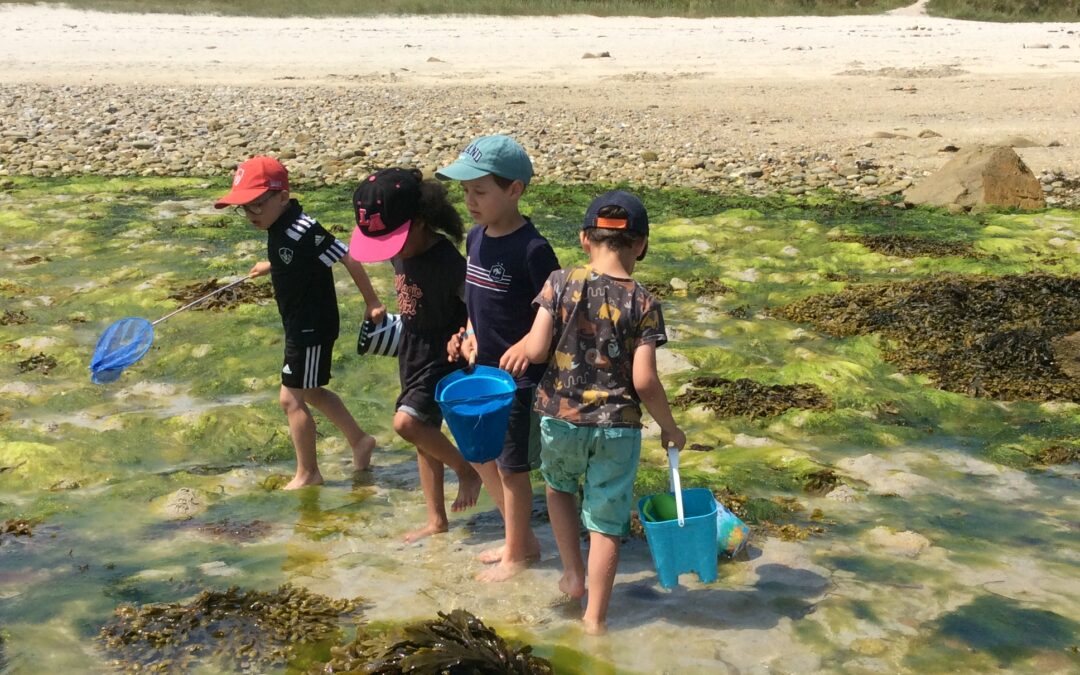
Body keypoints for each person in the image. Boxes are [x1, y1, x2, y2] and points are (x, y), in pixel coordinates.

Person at [523, 190, 686, 634]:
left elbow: (536, 349)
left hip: (560, 418)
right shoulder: (645, 303)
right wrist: (670, 427)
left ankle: (573, 575)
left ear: (583, 239)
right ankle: (595, 619)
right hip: (617, 428)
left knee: (558, 489)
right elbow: (645, 381)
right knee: (605, 522)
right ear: (642, 245)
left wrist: (516, 349)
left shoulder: (558, 282)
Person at [214, 155, 382, 490]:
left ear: (282, 197)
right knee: (313, 391)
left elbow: (346, 256)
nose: (251, 215)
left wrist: (372, 302)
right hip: (298, 324)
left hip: (311, 327)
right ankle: (360, 440)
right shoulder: (277, 226)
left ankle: (309, 474)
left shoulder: (302, 229)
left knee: (291, 399)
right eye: (245, 208)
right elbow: (292, 258)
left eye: (257, 206)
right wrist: (271, 265)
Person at [439, 135, 560, 582]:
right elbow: (474, 305)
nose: (469, 201)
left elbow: (556, 307)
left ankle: (519, 554)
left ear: (515, 191)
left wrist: (530, 343)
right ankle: (520, 537)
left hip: (522, 380)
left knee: (511, 467)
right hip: (483, 369)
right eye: (465, 191)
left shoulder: (533, 249)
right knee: (478, 453)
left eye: (480, 191)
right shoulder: (475, 238)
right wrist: (466, 334)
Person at [348, 167, 483, 542]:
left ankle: (467, 469)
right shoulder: (399, 247)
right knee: (425, 436)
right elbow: (353, 247)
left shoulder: (446, 260)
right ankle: (436, 520)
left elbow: (475, 302)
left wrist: (469, 335)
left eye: (392, 241)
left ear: (421, 221)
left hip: (444, 352)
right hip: (411, 346)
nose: (389, 252)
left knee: (407, 424)